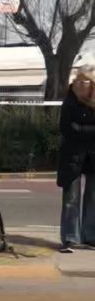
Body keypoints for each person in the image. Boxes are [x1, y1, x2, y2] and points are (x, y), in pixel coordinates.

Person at [57, 65, 95, 253]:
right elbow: (67, 129)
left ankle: (90, 236)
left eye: (84, 81)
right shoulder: (69, 102)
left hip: (92, 156)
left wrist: (81, 130)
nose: (80, 85)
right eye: (77, 81)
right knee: (71, 198)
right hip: (72, 156)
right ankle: (70, 238)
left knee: (93, 198)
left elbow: (77, 129)